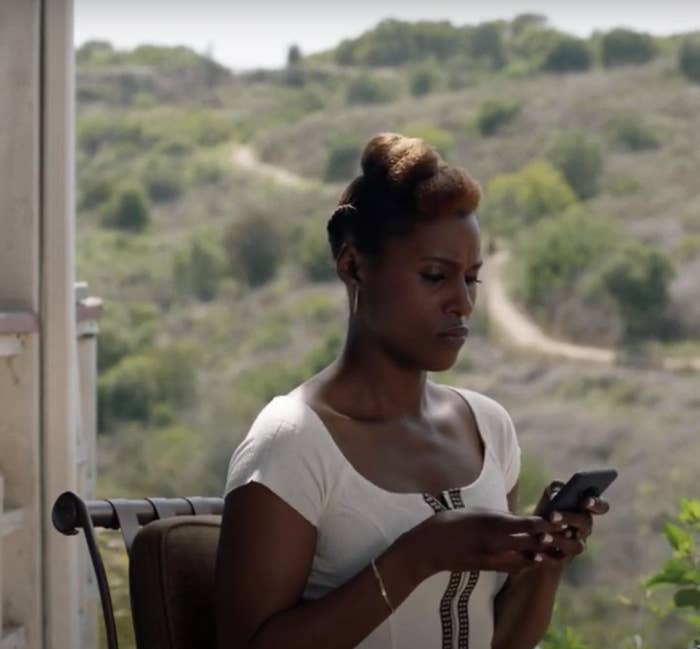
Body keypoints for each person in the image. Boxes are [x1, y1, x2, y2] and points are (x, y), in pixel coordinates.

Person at [215, 132, 609, 649]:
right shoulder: (292, 444)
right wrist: (420, 555)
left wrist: (545, 562)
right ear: (354, 265)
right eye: (434, 276)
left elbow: (501, 641)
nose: (463, 304)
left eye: (471, 279)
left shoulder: (487, 429)